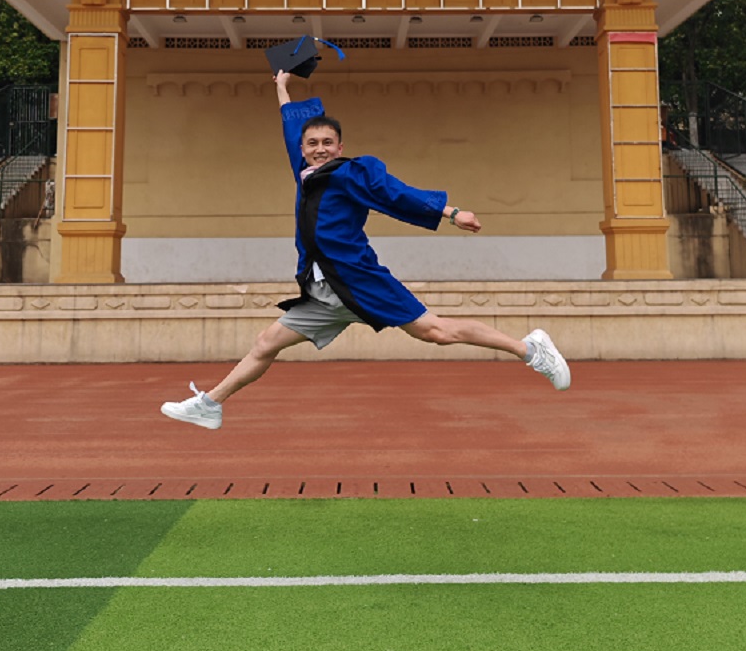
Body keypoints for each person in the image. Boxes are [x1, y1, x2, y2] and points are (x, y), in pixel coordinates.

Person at [160, 69, 571, 431]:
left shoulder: (351, 172)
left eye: (328, 142)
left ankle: (529, 349)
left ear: (340, 147)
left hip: (359, 280)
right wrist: (282, 87)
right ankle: (210, 405)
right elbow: (291, 126)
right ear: (302, 149)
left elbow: (394, 193)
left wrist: (451, 212)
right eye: (312, 143)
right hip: (324, 292)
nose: (319, 148)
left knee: (437, 332)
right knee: (265, 344)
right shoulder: (305, 174)